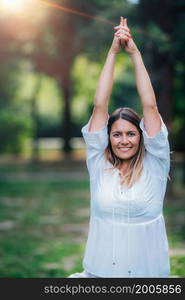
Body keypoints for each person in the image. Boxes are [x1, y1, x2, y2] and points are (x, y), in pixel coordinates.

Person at [68, 17, 170, 278]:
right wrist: (113, 52)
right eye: (116, 134)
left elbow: (150, 107)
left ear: (142, 136)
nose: (124, 140)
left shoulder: (156, 163)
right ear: (108, 138)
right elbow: (100, 107)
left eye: (131, 134)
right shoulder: (99, 164)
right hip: (99, 275)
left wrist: (134, 53)